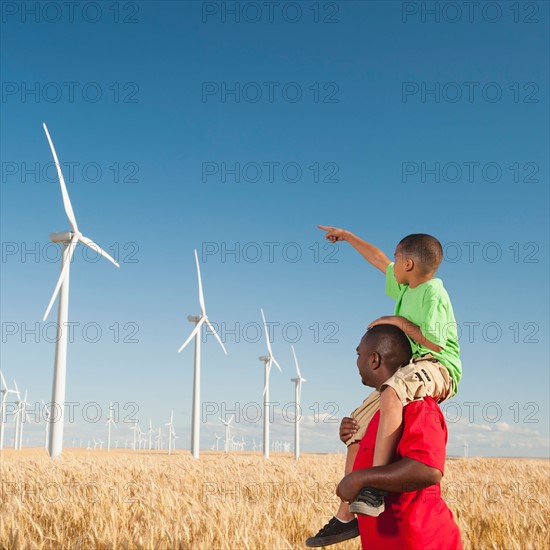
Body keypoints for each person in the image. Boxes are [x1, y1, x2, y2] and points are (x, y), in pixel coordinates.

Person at [306, 227, 461, 547]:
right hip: (408, 369)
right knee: (357, 423)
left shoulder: (433, 292)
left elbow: (433, 341)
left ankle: (373, 489)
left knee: (391, 393)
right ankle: (345, 516)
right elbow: (376, 258)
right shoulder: (407, 286)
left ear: (407, 264)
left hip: (437, 366)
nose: (389, 263)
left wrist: (395, 323)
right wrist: (348, 237)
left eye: (396, 259)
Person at [336, 325, 462, 550]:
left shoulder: (418, 406)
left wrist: (361, 479)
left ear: (374, 360)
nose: (356, 362)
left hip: (419, 542)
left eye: (359, 354)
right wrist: (351, 437)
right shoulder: (378, 413)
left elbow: (427, 469)